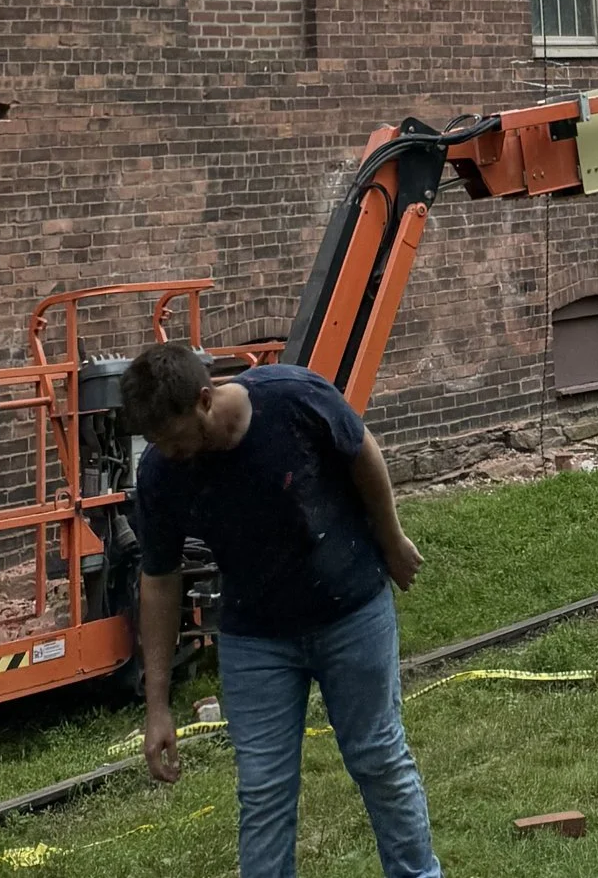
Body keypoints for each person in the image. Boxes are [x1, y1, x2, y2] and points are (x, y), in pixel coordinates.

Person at [124, 342, 442, 878]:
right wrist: (158, 706)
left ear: (204, 399)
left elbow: (362, 449)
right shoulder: (160, 473)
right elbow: (158, 580)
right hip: (257, 638)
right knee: (264, 791)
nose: (168, 454)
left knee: (379, 760)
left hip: (350, 610)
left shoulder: (293, 398)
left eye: (175, 440)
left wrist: (391, 540)